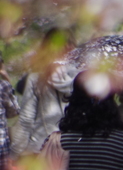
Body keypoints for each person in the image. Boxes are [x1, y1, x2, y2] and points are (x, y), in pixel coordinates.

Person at [11, 28, 76, 156]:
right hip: (72, 148)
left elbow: (26, 120)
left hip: (40, 149)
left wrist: (15, 153)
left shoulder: (36, 79)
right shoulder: (82, 80)